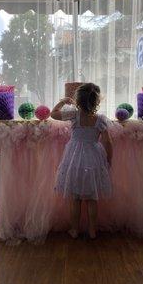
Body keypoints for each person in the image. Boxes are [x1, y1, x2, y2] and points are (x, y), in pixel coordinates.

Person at [51, 83, 112, 239]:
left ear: (77, 101)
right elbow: (107, 142)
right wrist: (108, 160)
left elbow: (53, 114)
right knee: (92, 198)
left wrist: (63, 101)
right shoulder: (100, 119)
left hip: (74, 158)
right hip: (94, 157)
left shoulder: (73, 115)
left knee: (75, 198)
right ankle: (92, 230)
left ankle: (74, 230)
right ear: (97, 102)